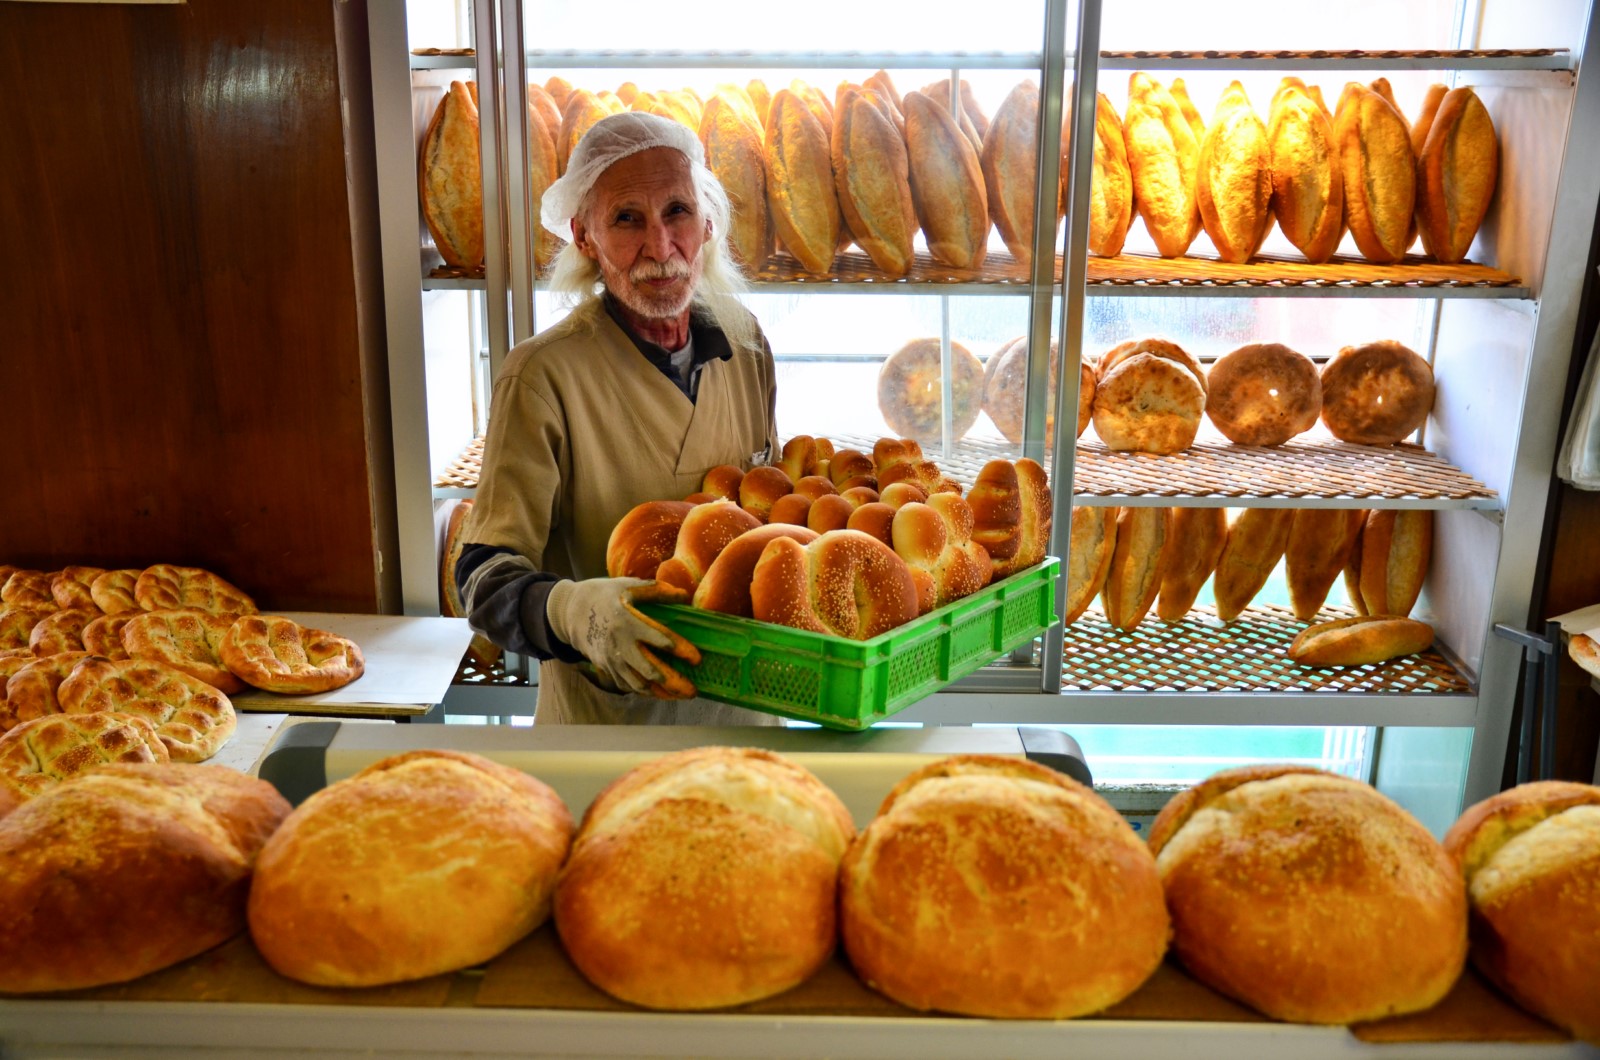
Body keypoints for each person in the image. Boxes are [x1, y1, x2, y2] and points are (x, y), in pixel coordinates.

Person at [454, 111, 781, 726]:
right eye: (626, 219)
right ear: (583, 237)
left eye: (677, 212)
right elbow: (480, 578)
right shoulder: (542, 377)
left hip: (749, 717)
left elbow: (768, 516)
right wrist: (572, 613)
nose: (660, 247)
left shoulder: (747, 346)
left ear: (707, 223)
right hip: (605, 732)